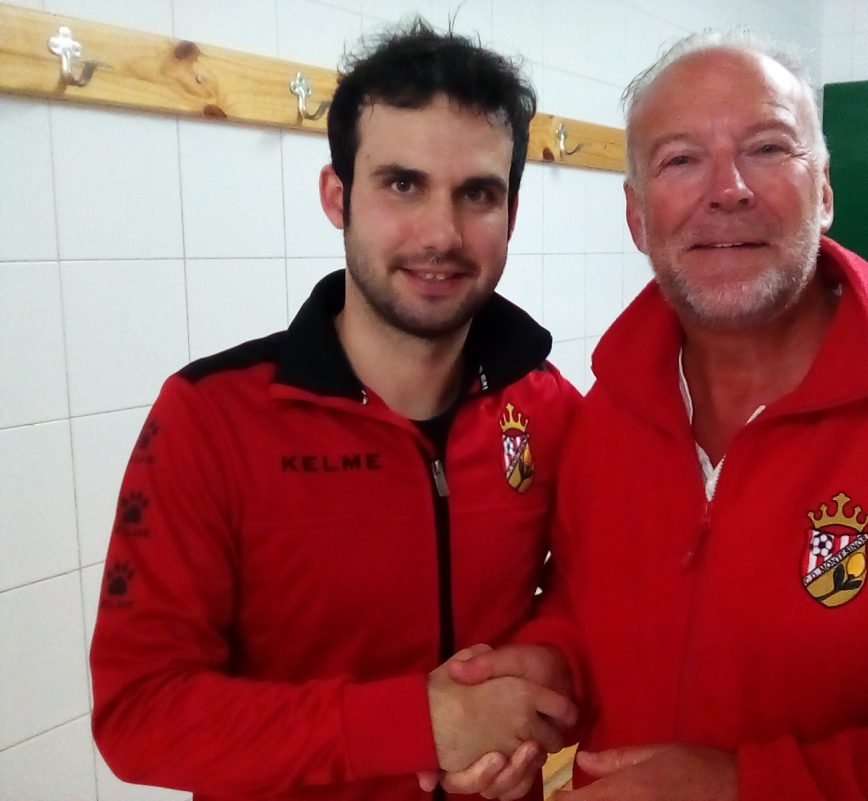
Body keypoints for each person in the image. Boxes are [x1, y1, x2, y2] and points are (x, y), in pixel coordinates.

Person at [435, 29, 868, 801]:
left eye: (768, 148)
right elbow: (588, 601)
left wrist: (744, 786)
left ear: (825, 190)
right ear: (637, 217)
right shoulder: (606, 414)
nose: (727, 188)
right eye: (679, 159)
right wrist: (550, 668)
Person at [89, 19, 580, 801]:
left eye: (477, 193)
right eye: (402, 184)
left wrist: (535, 680)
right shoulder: (210, 419)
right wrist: (414, 723)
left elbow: (588, 589)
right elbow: (139, 713)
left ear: (511, 215)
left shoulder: (547, 405)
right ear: (337, 196)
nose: (441, 234)